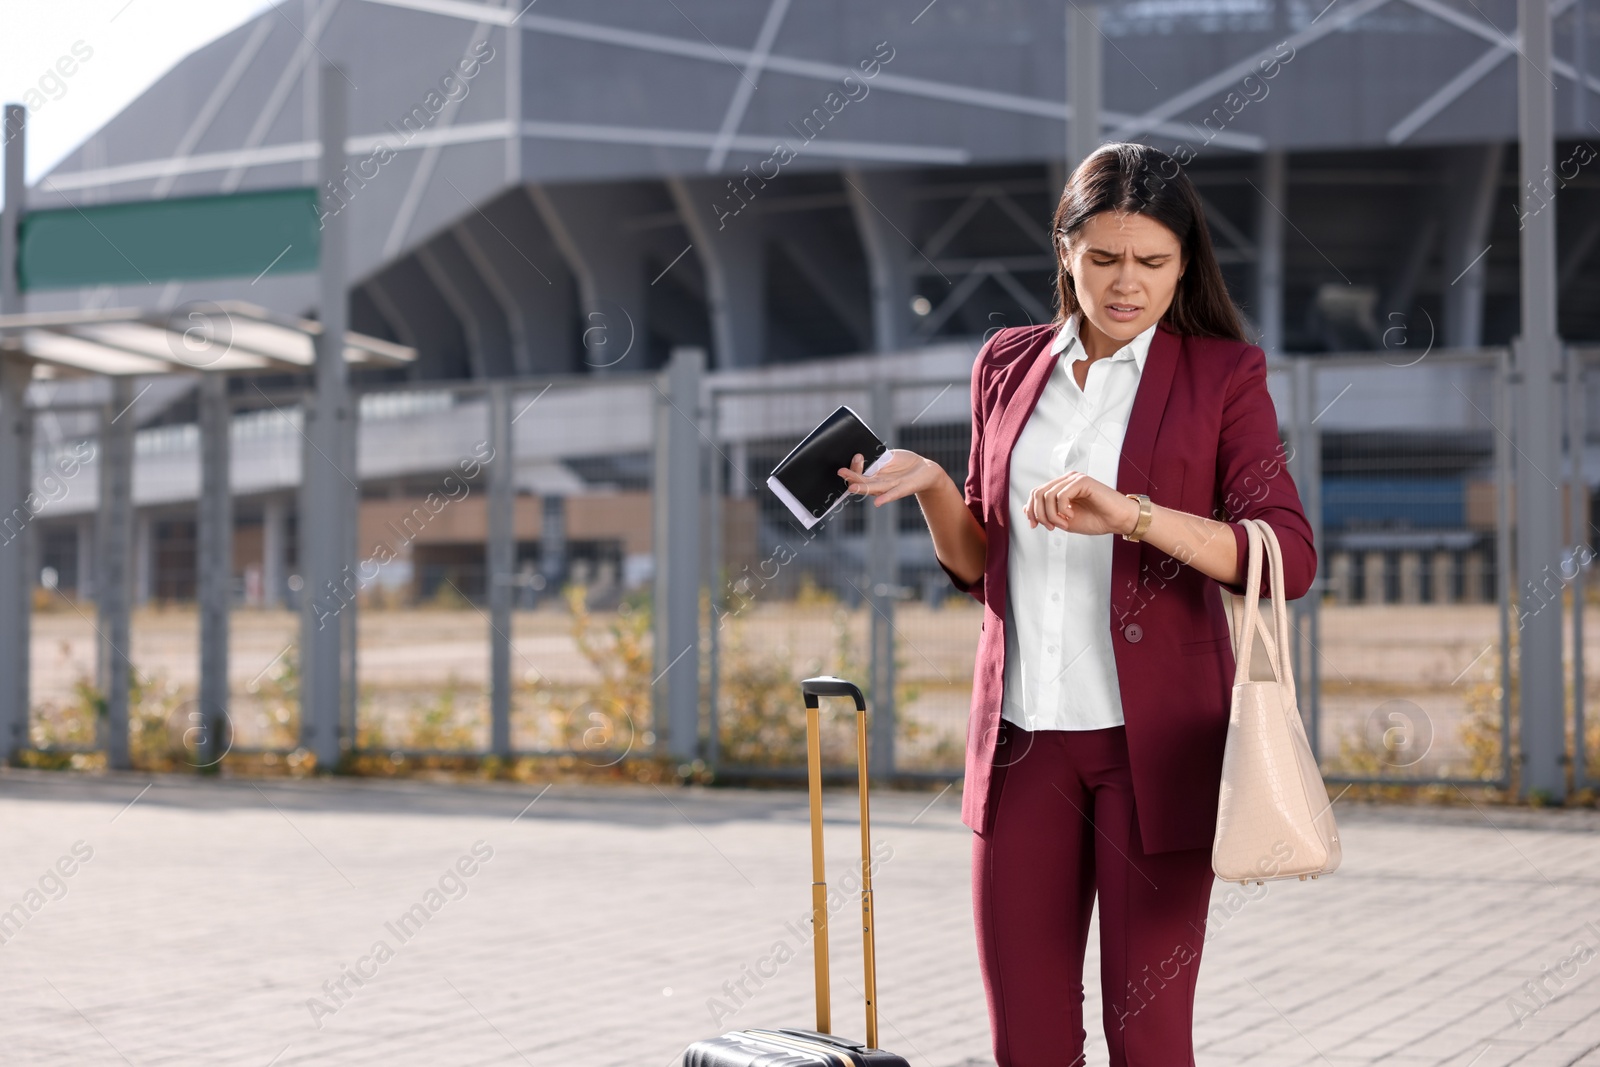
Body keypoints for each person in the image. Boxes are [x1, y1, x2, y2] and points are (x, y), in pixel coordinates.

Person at [836, 142, 1316, 1066]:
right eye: (1101, 259)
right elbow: (982, 565)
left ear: (1185, 263)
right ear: (1064, 250)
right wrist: (936, 485)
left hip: (1158, 757)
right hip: (1021, 747)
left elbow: (1286, 558)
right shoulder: (1006, 366)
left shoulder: (1223, 375)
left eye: (1151, 262)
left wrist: (1133, 515)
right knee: (1028, 1040)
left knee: (1149, 1041)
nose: (1125, 284)